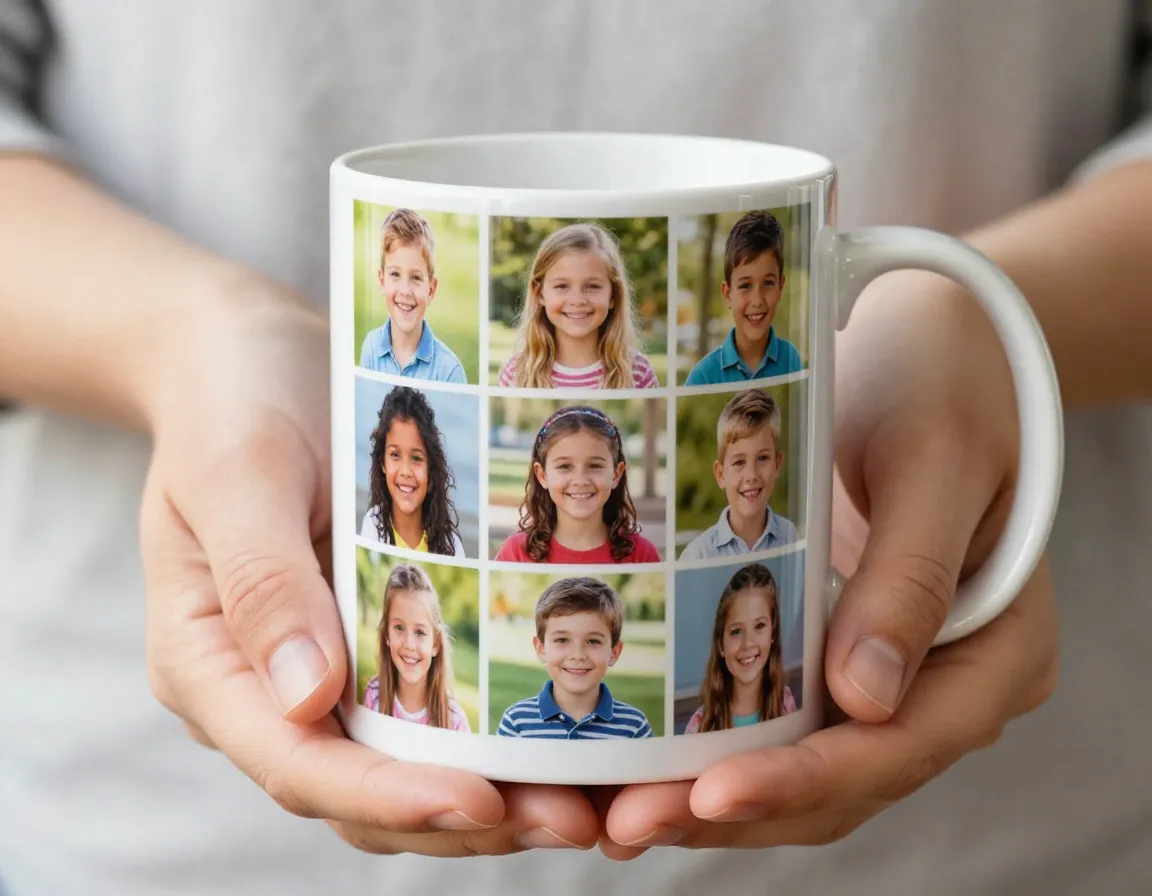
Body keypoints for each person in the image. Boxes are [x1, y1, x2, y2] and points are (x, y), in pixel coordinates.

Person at [1, 2, 1150, 894]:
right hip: (176, 843)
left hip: (998, 846)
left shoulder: (662, 452)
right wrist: (185, 340)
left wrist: (979, 334)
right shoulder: (504, 506)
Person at [497, 222, 659, 388]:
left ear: (613, 295)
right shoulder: (516, 372)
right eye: (562, 286)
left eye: (592, 286)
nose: (577, 300)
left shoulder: (638, 372)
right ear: (539, 294)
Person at [494, 406, 662, 563]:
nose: (580, 480)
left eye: (595, 466)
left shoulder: (642, 554)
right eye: (565, 467)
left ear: (616, 474)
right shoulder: (516, 553)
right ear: (542, 474)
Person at [497, 576, 652, 739]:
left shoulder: (634, 726)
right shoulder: (516, 722)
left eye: (593, 641)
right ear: (541, 648)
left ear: (614, 652)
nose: (578, 655)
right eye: (562, 640)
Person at [684, 211, 803, 385]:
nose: (757, 300)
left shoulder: (791, 359)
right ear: (727, 294)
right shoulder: (703, 377)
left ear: (780, 286)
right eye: (745, 286)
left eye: (768, 283)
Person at [679, 389, 799, 560]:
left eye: (762, 458)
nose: (751, 475)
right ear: (720, 475)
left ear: (777, 464)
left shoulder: (790, 537)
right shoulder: (698, 555)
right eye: (739, 462)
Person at [684, 563, 798, 734]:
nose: (748, 644)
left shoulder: (785, 703)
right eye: (736, 631)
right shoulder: (700, 724)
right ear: (721, 644)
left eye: (759, 626)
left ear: (772, 633)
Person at [358, 207, 467, 383]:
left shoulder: (449, 371)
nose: (405, 290)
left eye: (415, 277)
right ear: (382, 280)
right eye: (395, 275)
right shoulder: (371, 347)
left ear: (431, 290)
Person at [363, 563, 471, 733]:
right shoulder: (374, 696)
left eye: (420, 632)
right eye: (399, 628)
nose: (409, 645)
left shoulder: (454, 721)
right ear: (386, 635)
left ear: (435, 644)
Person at [360, 385, 465, 557]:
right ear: (383, 463)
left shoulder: (451, 545)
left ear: (430, 470)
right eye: (395, 455)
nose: (406, 471)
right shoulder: (373, 525)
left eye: (416, 458)